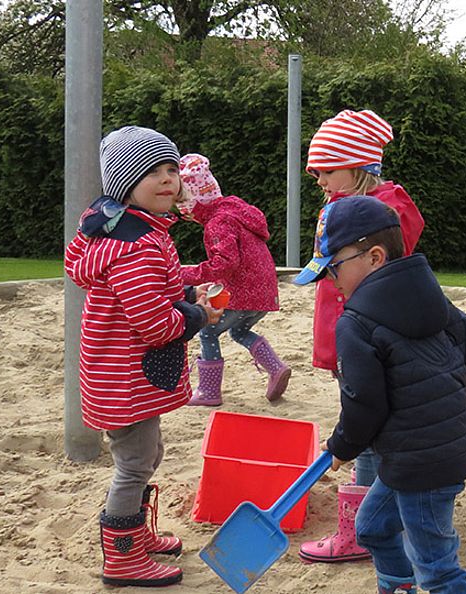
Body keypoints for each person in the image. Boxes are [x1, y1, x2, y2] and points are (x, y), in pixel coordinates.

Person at [294, 195, 466, 594]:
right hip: (439, 448)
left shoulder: (356, 323)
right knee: (373, 528)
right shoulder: (431, 294)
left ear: (375, 257)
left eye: (334, 269)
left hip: (419, 464)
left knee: (438, 568)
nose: (332, 282)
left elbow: (365, 403)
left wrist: (342, 446)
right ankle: (398, 586)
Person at [64, 126, 223, 587]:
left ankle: (136, 532)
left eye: (172, 168)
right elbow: (154, 323)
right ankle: (123, 559)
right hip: (125, 374)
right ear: (123, 183)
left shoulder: (129, 231)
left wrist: (188, 292)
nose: (168, 179)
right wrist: (199, 315)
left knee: (148, 453)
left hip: (118, 369)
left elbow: (153, 293)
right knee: (134, 464)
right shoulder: (134, 245)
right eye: (151, 171)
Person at [299, 109, 426, 563]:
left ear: (361, 167)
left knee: (366, 429)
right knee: (368, 427)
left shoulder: (385, 210)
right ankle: (380, 522)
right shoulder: (343, 206)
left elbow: (394, 261)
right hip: (348, 334)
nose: (320, 181)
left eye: (327, 171)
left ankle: (361, 533)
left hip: (368, 337)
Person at [176, 153, 288, 405]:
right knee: (239, 330)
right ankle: (276, 368)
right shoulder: (235, 211)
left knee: (207, 331)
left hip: (241, 293)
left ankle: (209, 391)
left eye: (183, 203)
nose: (182, 211)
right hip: (265, 291)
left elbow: (225, 264)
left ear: (195, 202)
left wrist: (184, 274)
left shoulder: (217, 222)